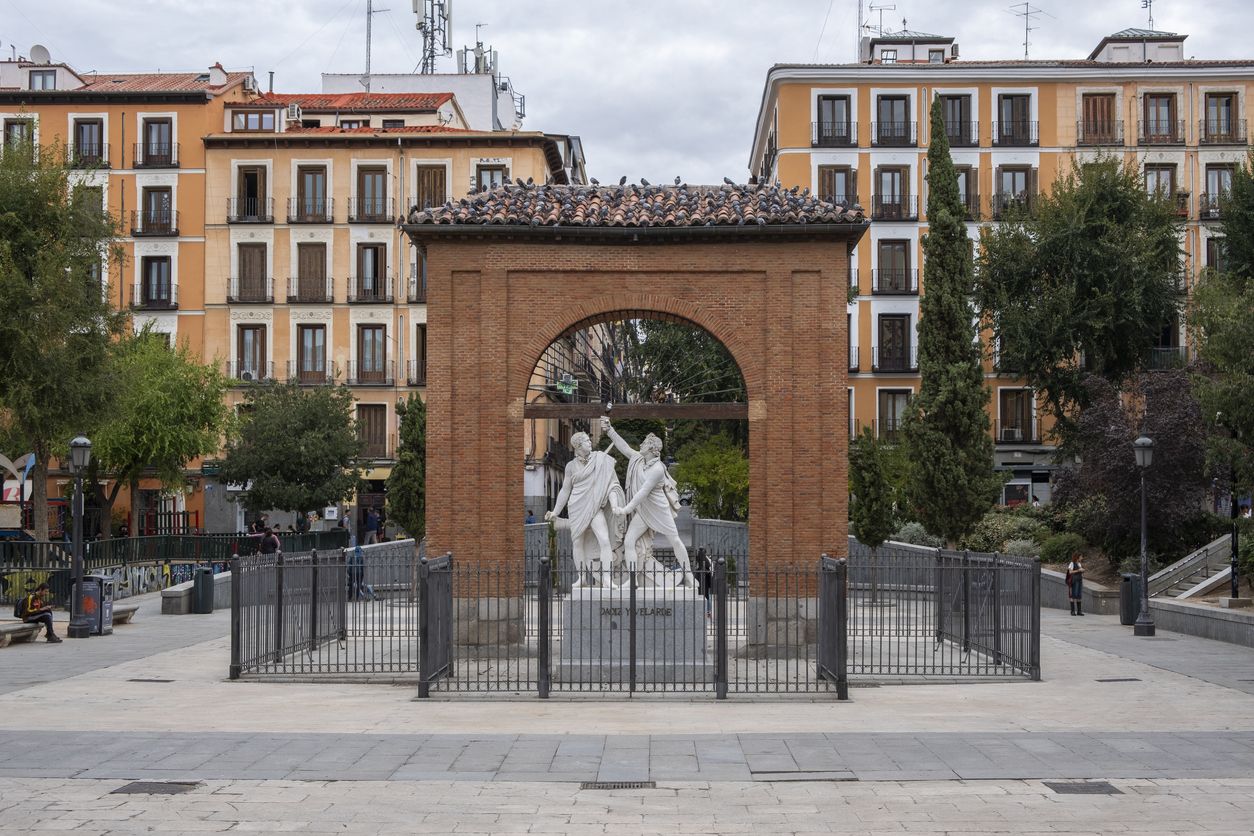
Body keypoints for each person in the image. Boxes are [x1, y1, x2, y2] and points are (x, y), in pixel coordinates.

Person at [603, 418, 696, 587]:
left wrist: (625, 510)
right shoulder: (639, 460)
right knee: (629, 541)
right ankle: (633, 580)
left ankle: (688, 574)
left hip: (659, 510)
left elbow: (642, 493)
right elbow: (624, 447)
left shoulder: (658, 469)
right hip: (644, 512)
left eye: (645, 443)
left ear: (652, 449)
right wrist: (610, 431)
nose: (641, 444)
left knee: (674, 540)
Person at [545, 430, 625, 588]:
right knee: (577, 543)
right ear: (578, 446)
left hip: (595, 507)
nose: (590, 443)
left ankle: (607, 578)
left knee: (604, 540)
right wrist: (555, 511)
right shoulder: (570, 466)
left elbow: (610, 484)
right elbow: (565, 490)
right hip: (577, 506)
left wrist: (614, 503)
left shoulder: (599, 460)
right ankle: (582, 577)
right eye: (587, 441)